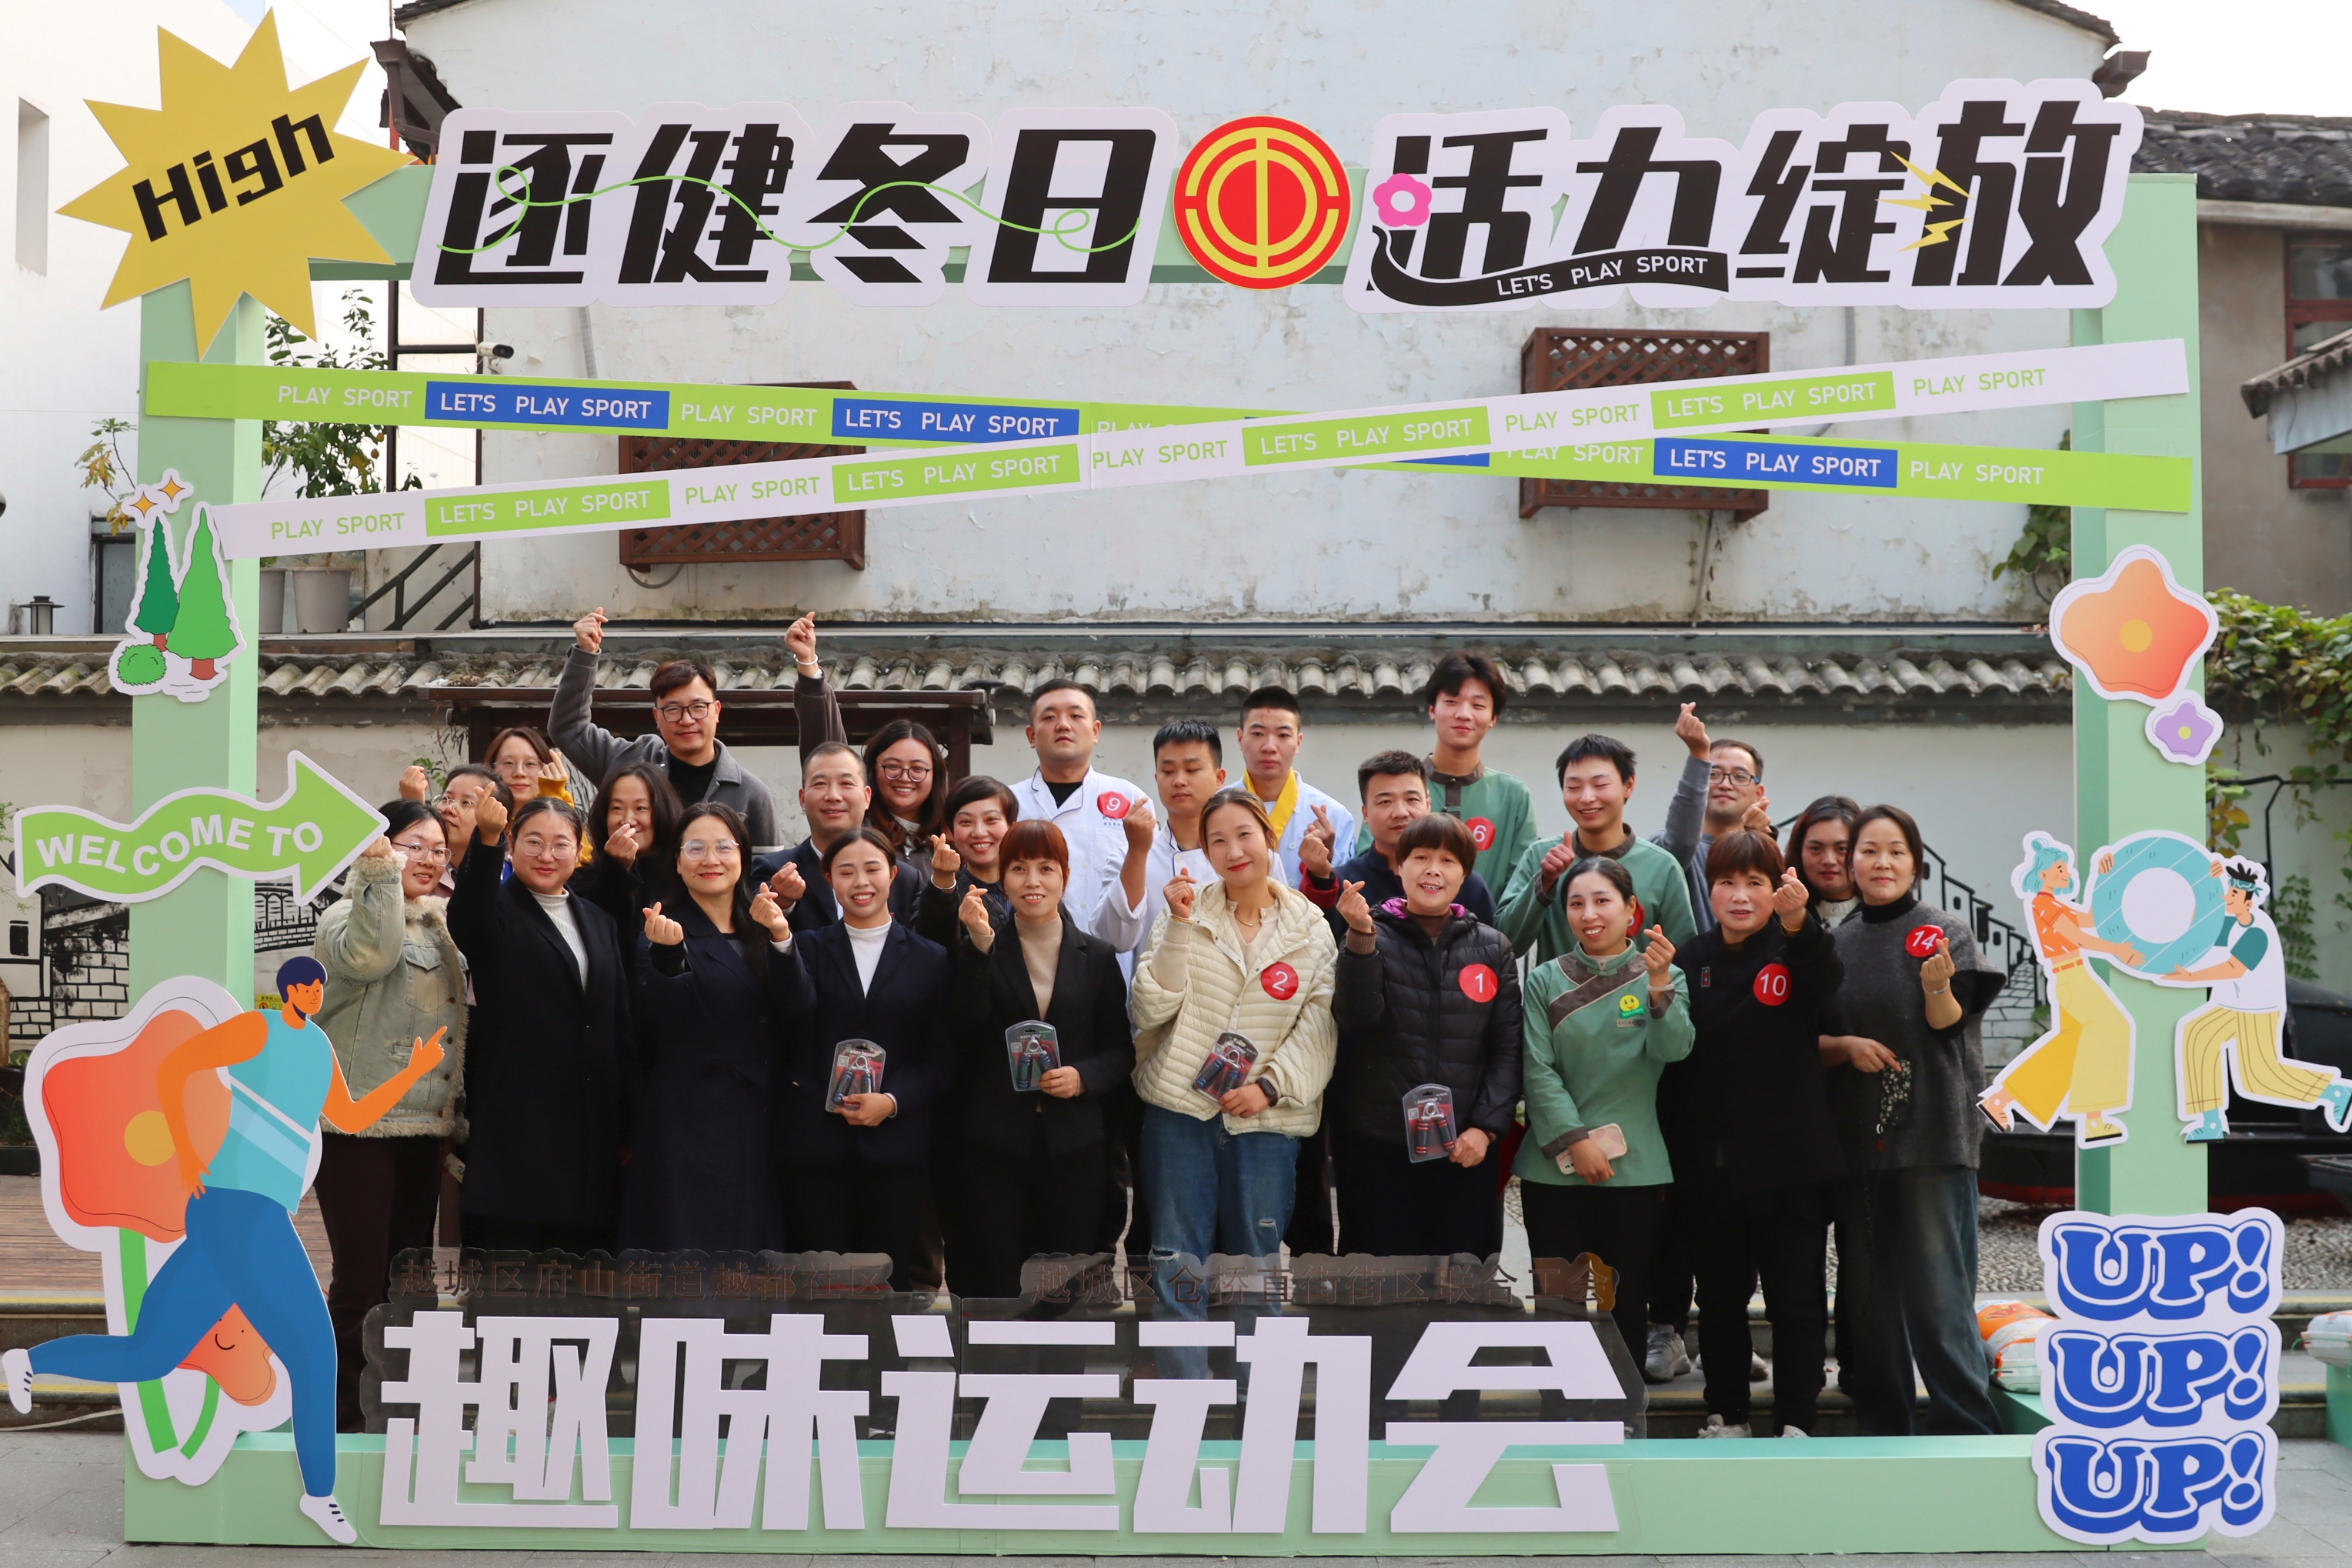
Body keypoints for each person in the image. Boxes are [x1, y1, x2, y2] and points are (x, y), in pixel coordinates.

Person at [3, 958, 445, 1545]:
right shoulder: (256, 1029)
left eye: (320, 987)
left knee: (151, 1354)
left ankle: (28, 1362)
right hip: (240, 1207)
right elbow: (176, 1065)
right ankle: (319, 1495)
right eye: (307, 986)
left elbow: (351, 1116)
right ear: (288, 989)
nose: (315, 994)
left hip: (240, 1212)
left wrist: (412, 1072)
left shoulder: (319, 1048)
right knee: (314, 1352)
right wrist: (187, 1154)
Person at [1818, 804, 2006, 1437]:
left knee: (1938, 1289)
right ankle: (1883, 1423)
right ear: (1849, 864)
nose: (1881, 863)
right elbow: (1815, 1036)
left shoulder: (1945, 931)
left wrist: (1934, 987)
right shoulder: (1836, 944)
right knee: (1869, 1294)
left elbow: (1948, 1025)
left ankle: (1965, 1423)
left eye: (1895, 851)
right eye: (1868, 850)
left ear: (1915, 864)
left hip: (1934, 1135)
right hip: (1860, 1140)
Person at [1129, 789, 1337, 1333]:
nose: (1234, 850)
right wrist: (1178, 928)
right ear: (1205, 851)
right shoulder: (1185, 911)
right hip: (1180, 1111)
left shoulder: (1310, 926)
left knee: (1257, 1266)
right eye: (1217, 840)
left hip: (1266, 1121)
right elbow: (1149, 1009)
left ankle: (1255, 1387)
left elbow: (1319, 1025)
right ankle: (1184, 1383)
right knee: (1175, 1261)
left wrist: (1268, 1087)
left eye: (1244, 834)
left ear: (1269, 837)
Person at [1671, 831, 1843, 1439]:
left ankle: (1796, 1418)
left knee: (1795, 1301)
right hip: (1710, 1169)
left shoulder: (1795, 948)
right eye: (1726, 882)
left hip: (1791, 1166)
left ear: (1778, 890)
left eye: (1755, 883)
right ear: (1709, 890)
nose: (1740, 896)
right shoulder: (1690, 958)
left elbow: (1825, 984)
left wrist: (1799, 925)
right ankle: (1727, 1413)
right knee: (1719, 1300)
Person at [309, 802, 467, 1430]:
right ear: (381, 848)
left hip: (424, 1125)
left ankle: (401, 1408)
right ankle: (344, 1415)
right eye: (413, 845)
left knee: (410, 1278)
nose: (428, 859)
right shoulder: (344, 916)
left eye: (438, 850)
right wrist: (376, 875)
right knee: (361, 1277)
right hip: (357, 1126)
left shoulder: (441, 923)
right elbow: (371, 957)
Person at [947, 819, 1136, 1298]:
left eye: (1046, 868)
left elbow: (1119, 1050)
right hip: (995, 1143)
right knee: (996, 1277)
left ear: (1065, 877)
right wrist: (980, 947)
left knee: (1061, 1280)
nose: (1033, 881)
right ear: (1002, 878)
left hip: (1072, 1144)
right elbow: (963, 1025)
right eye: (1019, 868)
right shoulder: (983, 944)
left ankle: (1055, 1350)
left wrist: (1082, 1077)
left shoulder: (1097, 956)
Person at [1515, 855, 1692, 1363]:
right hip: (1554, 1167)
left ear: (1631, 909)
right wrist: (1576, 1140)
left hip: (1634, 1168)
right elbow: (1536, 1069)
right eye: (1576, 903)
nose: (1589, 914)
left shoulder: (1665, 974)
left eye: (1601, 900)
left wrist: (1658, 981)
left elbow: (1673, 1049)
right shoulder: (1544, 981)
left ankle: (1623, 1407)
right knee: (1558, 1303)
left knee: (1626, 1304)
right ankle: (1558, 1404)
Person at [447, 794, 636, 1253]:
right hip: (518, 1123)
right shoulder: (495, 910)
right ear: (512, 845)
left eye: (560, 844)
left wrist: (628, 1116)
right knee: (513, 1268)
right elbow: (468, 921)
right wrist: (486, 840)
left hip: (589, 1124)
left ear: (579, 849)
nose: (546, 855)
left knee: (582, 1270)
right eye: (533, 842)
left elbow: (618, 1022)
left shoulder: (598, 920)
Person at [1329, 812, 1521, 1257]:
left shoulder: (1493, 948)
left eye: (1448, 860)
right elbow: (1355, 1019)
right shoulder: (1370, 934)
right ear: (1399, 866)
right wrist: (1360, 938)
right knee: (1378, 1279)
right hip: (1378, 1144)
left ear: (1465, 875)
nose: (1433, 869)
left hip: (1463, 1145)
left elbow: (1508, 1049)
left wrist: (1486, 1129)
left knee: (1458, 1279)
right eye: (1420, 857)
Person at [769, 827, 953, 1289]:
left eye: (872, 869)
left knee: (886, 1282)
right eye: (846, 872)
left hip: (895, 1147)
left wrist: (891, 1102)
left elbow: (941, 1059)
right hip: (816, 1144)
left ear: (894, 874)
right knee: (818, 1283)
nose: (861, 882)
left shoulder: (930, 958)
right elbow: (787, 1022)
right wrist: (780, 939)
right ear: (828, 879)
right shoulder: (804, 948)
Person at [622, 802, 794, 1253]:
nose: (710, 859)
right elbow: (657, 1020)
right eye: (695, 848)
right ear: (677, 862)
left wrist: (782, 939)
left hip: (759, 1113)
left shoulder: (764, 922)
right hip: (690, 1116)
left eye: (723, 847)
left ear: (744, 857)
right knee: (691, 1253)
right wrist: (667, 958)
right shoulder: (662, 928)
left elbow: (800, 1008)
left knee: (752, 1251)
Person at [552, 607, 779, 850]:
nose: (687, 720)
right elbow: (569, 728)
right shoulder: (629, 762)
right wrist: (584, 655)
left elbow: (765, 867)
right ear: (657, 718)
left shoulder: (751, 793)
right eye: (673, 709)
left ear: (717, 711)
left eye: (698, 707)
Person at [2172, 859, 2352, 1139]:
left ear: (2248, 900)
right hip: (2229, 1005)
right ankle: (2211, 1120)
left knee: (2260, 1079)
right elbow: (2199, 928)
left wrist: (2189, 977)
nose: (2226, 897)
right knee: (2197, 1035)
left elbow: (2233, 968)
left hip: (2257, 1010)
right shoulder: (2229, 922)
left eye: (2232, 893)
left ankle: (2335, 1091)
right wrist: (2206, 878)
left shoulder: (2257, 931)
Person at [1979, 836, 2142, 1146]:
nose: (2067, 873)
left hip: (2073, 975)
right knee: (2112, 1028)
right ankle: (2094, 1119)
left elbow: (2092, 918)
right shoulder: (2043, 904)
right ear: (2044, 874)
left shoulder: (2056, 905)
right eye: (2060, 868)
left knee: (2069, 1048)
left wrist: (2102, 877)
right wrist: (2117, 949)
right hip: (2072, 976)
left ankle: (2000, 1100)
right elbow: (2078, 938)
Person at [1497, 735, 1696, 966]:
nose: (1587, 798)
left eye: (1600, 785)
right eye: (1574, 787)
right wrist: (1544, 882)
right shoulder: (1541, 857)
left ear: (1629, 785)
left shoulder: (1662, 866)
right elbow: (1505, 943)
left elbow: (1685, 959)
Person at [1356, 651, 1538, 880]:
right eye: (1451, 702)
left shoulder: (1513, 795)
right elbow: (1367, 866)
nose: (1464, 714)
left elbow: (1523, 881)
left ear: (1494, 717)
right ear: (1432, 709)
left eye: (1478, 705)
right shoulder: (1395, 786)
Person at [1009, 680, 1156, 953]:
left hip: (1109, 960)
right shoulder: (1008, 803)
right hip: (1023, 958)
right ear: (1031, 735)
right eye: (1050, 717)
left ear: (1096, 730)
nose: (1063, 725)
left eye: (1076, 716)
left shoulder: (1131, 800)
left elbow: (1145, 895)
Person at [1302, 752, 1498, 929]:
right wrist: (1320, 877)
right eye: (1385, 802)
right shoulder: (1347, 885)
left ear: (1428, 805)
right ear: (1366, 813)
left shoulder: (1467, 884)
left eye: (1412, 799)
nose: (1401, 813)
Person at [756, 742, 923, 935]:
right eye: (820, 784)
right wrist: (782, 903)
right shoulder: (774, 871)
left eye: (846, 784)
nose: (833, 796)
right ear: (802, 799)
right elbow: (752, 938)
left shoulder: (906, 880)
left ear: (867, 797)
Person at [1655, 712, 1772, 936]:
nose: (1725, 784)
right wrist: (1698, 755)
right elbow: (1681, 842)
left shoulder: (1771, 853)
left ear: (1759, 793)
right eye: (1713, 774)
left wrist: (1764, 841)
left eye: (1740, 777)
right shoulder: (1664, 849)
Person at [1236, 687, 1357, 888]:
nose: (1269, 747)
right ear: (1240, 738)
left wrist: (1322, 870)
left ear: (1298, 742)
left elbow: (1345, 897)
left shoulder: (1335, 817)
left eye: (1283, 735)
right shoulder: (1215, 810)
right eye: (1258, 733)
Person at [569, 760, 686, 931]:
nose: (628, 820)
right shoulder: (580, 883)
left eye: (641, 808)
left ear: (663, 811)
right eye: (617, 808)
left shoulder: (683, 876)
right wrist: (615, 869)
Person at [916, 774, 1018, 949]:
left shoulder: (1032, 885)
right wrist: (943, 884)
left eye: (991, 820)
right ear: (952, 832)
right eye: (966, 822)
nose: (979, 832)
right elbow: (934, 949)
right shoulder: (940, 893)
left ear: (1012, 826)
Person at [865, 719, 950, 864]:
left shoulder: (955, 834)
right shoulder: (858, 834)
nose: (905, 778)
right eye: (892, 766)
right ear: (873, 769)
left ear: (936, 775)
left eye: (918, 769)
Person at [1785, 795, 1863, 928]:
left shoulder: (1885, 916)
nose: (1829, 861)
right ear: (1799, 851)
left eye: (1842, 849)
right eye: (1816, 848)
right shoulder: (1778, 915)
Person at [484, 725, 577, 808]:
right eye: (509, 763)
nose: (519, 772)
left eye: (530, 764)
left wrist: (552, 801)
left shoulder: (567, 818)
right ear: (491, 768)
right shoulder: (477, 815)